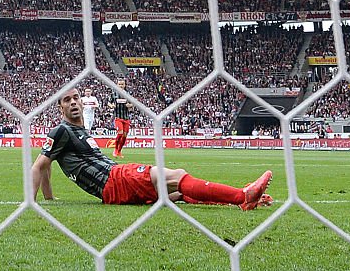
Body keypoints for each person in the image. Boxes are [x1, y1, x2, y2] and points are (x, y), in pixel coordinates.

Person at [32, 88, 272, 210]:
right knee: (175, 176)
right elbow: (39, 166)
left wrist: (49, 197)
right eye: (67, 100)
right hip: (114, 180)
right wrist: (33, 202)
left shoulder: (79, 132)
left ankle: (242, 199)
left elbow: (47, 165)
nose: (73, 102)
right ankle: (243, 196)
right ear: (60, 107)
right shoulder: (61, 130)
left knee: (177, 193)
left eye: (76, 98)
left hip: (114, 184)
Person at [107, 77, 131, 158]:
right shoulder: (114, 94)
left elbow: (133, 104)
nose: (121, 86)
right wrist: (111, 106)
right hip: (118, 117)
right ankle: (115, 150)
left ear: (124, 85)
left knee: (124, 136)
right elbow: (109, 103)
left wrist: (130, 105)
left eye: (122, 84)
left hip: (126, 118)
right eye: (119, 84)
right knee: (120, 133)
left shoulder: (128, 93)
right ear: (117, 85)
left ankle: (119, 151)